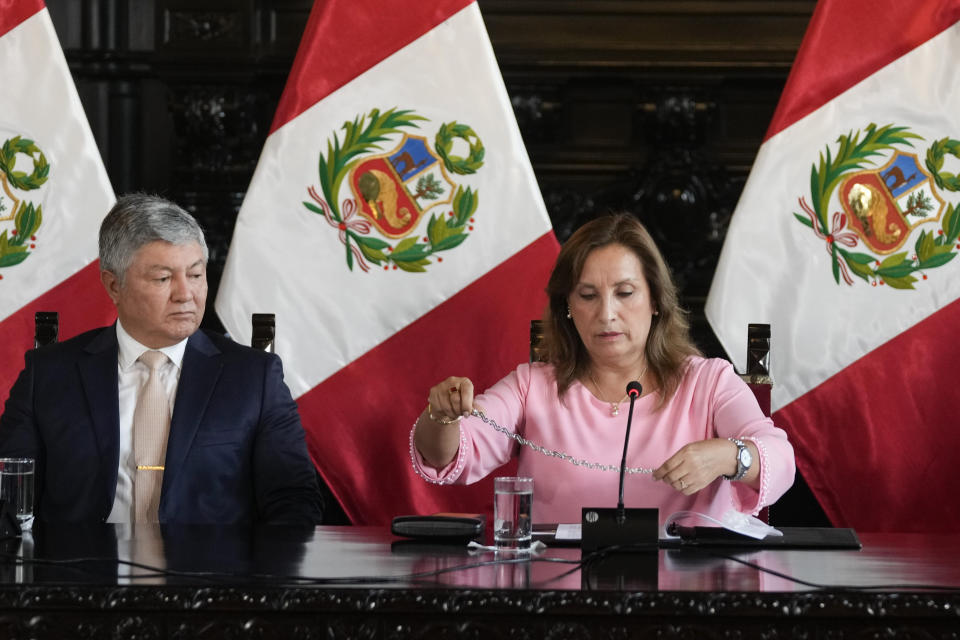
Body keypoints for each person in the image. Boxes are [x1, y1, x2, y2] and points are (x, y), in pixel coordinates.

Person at [411, 213, 794, 525]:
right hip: (557, 597)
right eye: (588, 296)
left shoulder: (707, 382)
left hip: (685, 595)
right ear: (568, 306)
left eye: (625, 293)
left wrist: (728, 456)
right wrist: (441, 417)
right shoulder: (532, 386)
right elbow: (448, 455)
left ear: (656, 300)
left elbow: (781, 460)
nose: (607, 314)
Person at [0, 194, 323, 525]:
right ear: (114, 285)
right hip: (80, 570)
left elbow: (294, 500)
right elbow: (8, 494)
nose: (186, 294)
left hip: (211, 572)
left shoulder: (255, 378)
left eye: (196, 275)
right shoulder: (50, 374)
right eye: (163, 278)